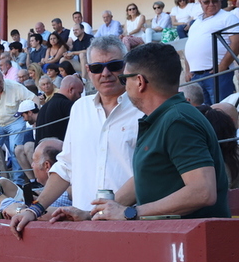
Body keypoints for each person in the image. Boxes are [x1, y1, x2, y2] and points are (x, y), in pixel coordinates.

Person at [79, 42, 230, 221]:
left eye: (124, 79)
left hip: (189, 244)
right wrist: (92, 215)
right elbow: (145, 178)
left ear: (140, 82)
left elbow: (203, 191)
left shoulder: (177, 120)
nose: (124, 86)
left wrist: (132, 213)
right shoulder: (165, 118)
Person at [11, 36, 143, 236]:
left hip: (130, 225)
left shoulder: (143, 108)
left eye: (114, 65)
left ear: (126, 67)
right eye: (97, 68)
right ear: (89, 71)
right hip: (83, 228)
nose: (105, 73)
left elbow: (147, 173)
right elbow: (66, 166)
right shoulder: (80, 108)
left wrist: (100, 212)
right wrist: (35, 209)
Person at [184, 0, 239, 104]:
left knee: (221, 112)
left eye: (215, 1)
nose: (211, 4)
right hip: (196, 76)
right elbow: (189, 46)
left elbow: (236, 42)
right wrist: (188, 70)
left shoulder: (228, 17)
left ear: (220, 1)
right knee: (202, 116)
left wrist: (223, 65)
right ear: (200, 2)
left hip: (216, 74)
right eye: (206, 2)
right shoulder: (196, 22)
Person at [0, 71, 37, 184]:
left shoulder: (14, 86)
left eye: (0, 83)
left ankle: (18, 182)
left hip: (15, 121)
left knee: (14, 149)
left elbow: (34, 98)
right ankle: (2, 179)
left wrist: (35, 117)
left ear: (3, 79)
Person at [34, 74, 83, 142]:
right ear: (71, 90)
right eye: (79, 93)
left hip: (42, 150)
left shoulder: (44, 107)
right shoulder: (68, 105)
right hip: (59, 150)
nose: (80, 97)